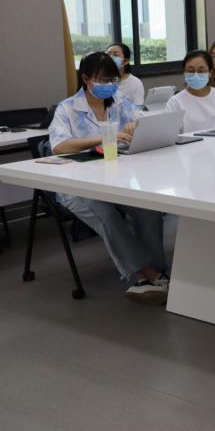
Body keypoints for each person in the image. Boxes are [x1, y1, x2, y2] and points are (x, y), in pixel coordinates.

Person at [48, 52, 171, 305]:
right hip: (77, 184)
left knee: (148, 210)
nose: (109, 85)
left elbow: (142, 121)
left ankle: (156, 273)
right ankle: (148, 274)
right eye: (103, 80)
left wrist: (135, 126)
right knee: (106, 215)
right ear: (86, 79)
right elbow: (59, 146)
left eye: (113, 80)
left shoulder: (119, 102)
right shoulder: (67, 108)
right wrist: (103, 137)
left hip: (117, 178)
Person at [165, 50, 215, 133]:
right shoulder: (175, 102)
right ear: (184, 72)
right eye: (191, 71)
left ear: (210, 73)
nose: (196, 75)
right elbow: (169, 135)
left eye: (201, 71)